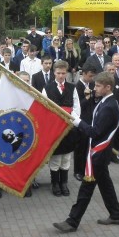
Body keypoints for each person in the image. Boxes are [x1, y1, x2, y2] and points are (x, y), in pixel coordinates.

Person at [53, 72, 119, 232]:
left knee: (86, 189)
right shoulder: (106, 102)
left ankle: (72, 221)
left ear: (108, 87)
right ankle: (116, 215)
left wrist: (78, 122)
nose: (95, 88)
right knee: (105, 185)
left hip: (99, 154)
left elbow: (95, 132)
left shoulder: (109, 106)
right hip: (100, 152)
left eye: (99, 86)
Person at [42, 60, 80, 196]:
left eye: (63, 73)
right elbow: (45, 109)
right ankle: (55, 183)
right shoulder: (47, 88)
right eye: (58, 73)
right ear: (54, 73)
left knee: (66, 158)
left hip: (69, 128)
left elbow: (76, 107)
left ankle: (64, 183)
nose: (61, 76)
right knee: (56, 158)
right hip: (55, 129)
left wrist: (72, 121)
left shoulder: (72, 87)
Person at [73, 66, 96, 180]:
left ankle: (87, 168)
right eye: (90, 76)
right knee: (80, 147)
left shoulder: (92, 85)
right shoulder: (77, 86)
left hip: (91, 119)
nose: (92, 78)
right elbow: (77, 106)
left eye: (93, 76)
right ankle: (78, 171)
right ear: (84, 74)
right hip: (81, 120)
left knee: (88, 146)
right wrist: (87, 97)